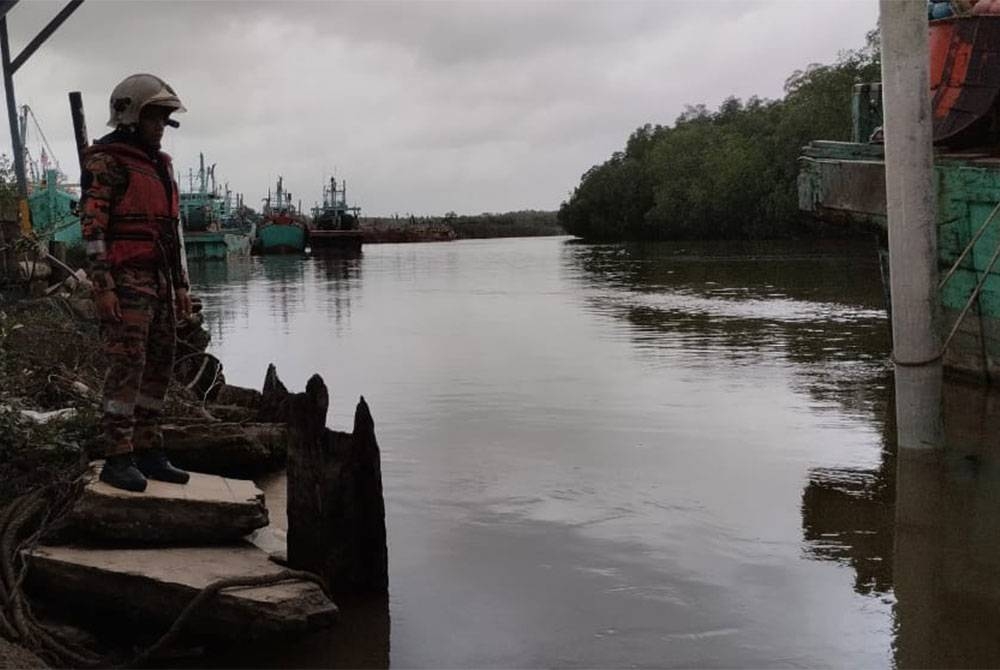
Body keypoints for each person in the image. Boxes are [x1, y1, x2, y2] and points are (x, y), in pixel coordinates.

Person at [81, 74, 193, 492]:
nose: (161, 126)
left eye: (165, 119)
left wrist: (181, 287)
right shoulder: (106, 161)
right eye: (155, 118)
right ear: (132, 116)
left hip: (160, 280)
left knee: (160, 363)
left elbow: (171, 232)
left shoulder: (160, 166)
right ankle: (117, 455)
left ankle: (149, 448)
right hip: (125, 280)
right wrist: (103, 286)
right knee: (126, 366)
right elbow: (92, 228)